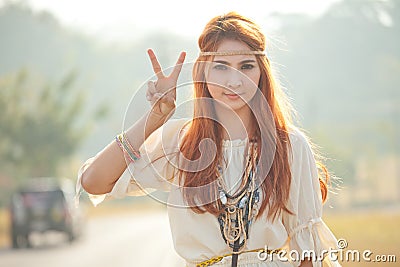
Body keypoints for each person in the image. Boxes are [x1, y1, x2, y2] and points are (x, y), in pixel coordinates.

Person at [76, 12, 342, 267]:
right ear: (204, 72)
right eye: (221, 67)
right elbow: (94, 182)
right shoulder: (180, 144)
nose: (234, 81)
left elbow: (309, 254)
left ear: (262, 72)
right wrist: (155, 118)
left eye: (246, 66)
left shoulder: (290, 146)